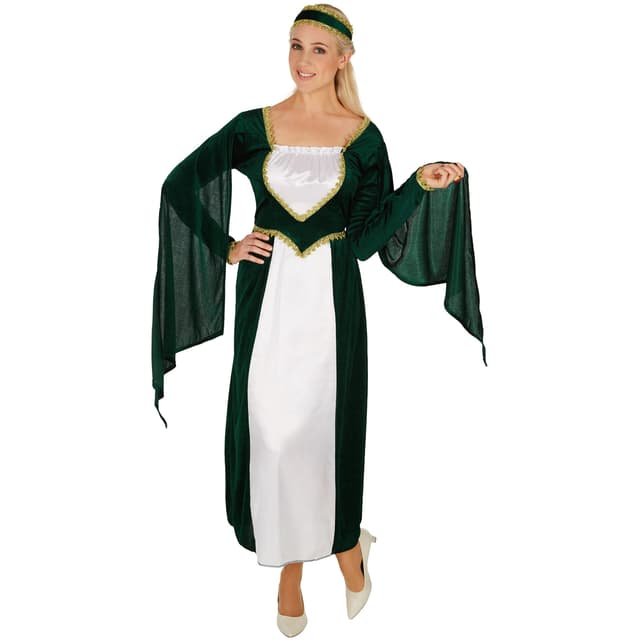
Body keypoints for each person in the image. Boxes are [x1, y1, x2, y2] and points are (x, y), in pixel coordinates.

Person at [151, 3, 486, 636]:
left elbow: (365, 242)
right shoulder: (252, 126)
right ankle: (325, 553)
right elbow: (178, 185)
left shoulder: (364, 138)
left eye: (318, 50)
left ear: (343, 59)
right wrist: (225, 246)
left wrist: (419, 184)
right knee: (270, 434)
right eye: (295, 45)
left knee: (319, 433)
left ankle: (319, 558)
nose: (303, 60)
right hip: (267, 297)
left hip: (332, 300)